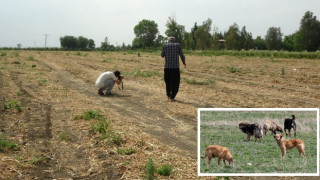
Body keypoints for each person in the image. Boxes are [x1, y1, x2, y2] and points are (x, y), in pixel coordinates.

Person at [161, 36, 186, 102]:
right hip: (175, 68)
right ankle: (172, 96)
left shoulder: (165, 45)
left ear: (168, 41)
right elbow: (182, 55)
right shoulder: (178, 45)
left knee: (168, 82)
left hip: (167, 68)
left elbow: (162, 55)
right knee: (175, 82)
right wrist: (184, 63)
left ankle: (168, 95)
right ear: (173, 41)